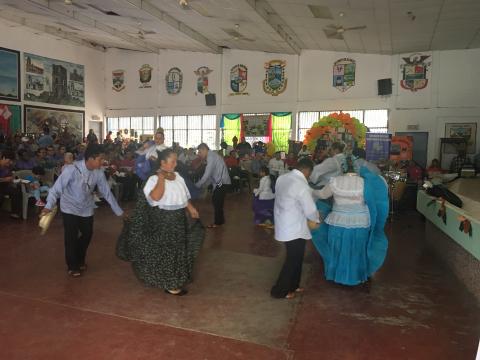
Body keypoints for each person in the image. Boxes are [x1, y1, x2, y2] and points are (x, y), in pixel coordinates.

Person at [117, 149, 203, 296]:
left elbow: (183, 196)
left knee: (178, 250)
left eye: (176, 161)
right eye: (173, 161)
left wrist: (191, 208)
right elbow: (156, 197)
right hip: (163, 221)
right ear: (163, 162)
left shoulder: (178, 177)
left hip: (178, 219)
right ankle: (171, 284)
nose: (176, 164)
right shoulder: (153, 179)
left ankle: (174, 279)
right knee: (168, 251)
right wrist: (161, 178)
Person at [41, 144, 125, 277]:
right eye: (100, 159)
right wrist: (48, 205)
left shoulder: (98, 172)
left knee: (87, 234)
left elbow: (106, 192)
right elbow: (56, 189)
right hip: (69, 207)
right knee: (71, 237)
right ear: (90, 158)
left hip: (86, 207)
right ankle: (72, 266)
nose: (102, 162)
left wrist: (119, 212)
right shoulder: (71, 169)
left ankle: (79, 258)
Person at [311, 156, 389, 286]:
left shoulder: (335, 181)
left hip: (338, 220)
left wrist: (310, 190)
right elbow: (374, 201)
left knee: (337, 247)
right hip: (360, 221)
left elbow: (322, 195)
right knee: (358, 248)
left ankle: (337, 275)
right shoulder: (364, 182)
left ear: (343, 168)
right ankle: (357, 276)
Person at [271, 158, 320, 299]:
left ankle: (294, 285)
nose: (309, 176)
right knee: (293, 258)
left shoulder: (283, 178)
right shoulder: (301, 185)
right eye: (310, 173)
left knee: (298, 256)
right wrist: (316, 220)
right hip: (294, 226)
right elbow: (310, 209)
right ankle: (279, 291)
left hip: (285, 221)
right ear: (307, 171)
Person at [195, 143, 231, 228]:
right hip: (221, 182)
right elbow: (211, 175)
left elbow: (207, 174)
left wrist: (197, 185)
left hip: (222, 182)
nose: (199, 154)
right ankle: (220, 221)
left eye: (200, 152)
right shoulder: (212, 156)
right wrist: (205, 184)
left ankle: (218, 222)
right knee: (218, 202)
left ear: (204, 149)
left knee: (217, 201)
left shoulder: (211, 157)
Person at [0, 150, 22, 218]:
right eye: (9, 160)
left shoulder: (8, 167)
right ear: (3, 158)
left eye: (12, 161)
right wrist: (5, 179)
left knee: (16, 191)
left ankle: (15, 213)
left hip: (4, 186)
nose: (10, 162)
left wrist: (14, 179)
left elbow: (11, 177)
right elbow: (5, 179)